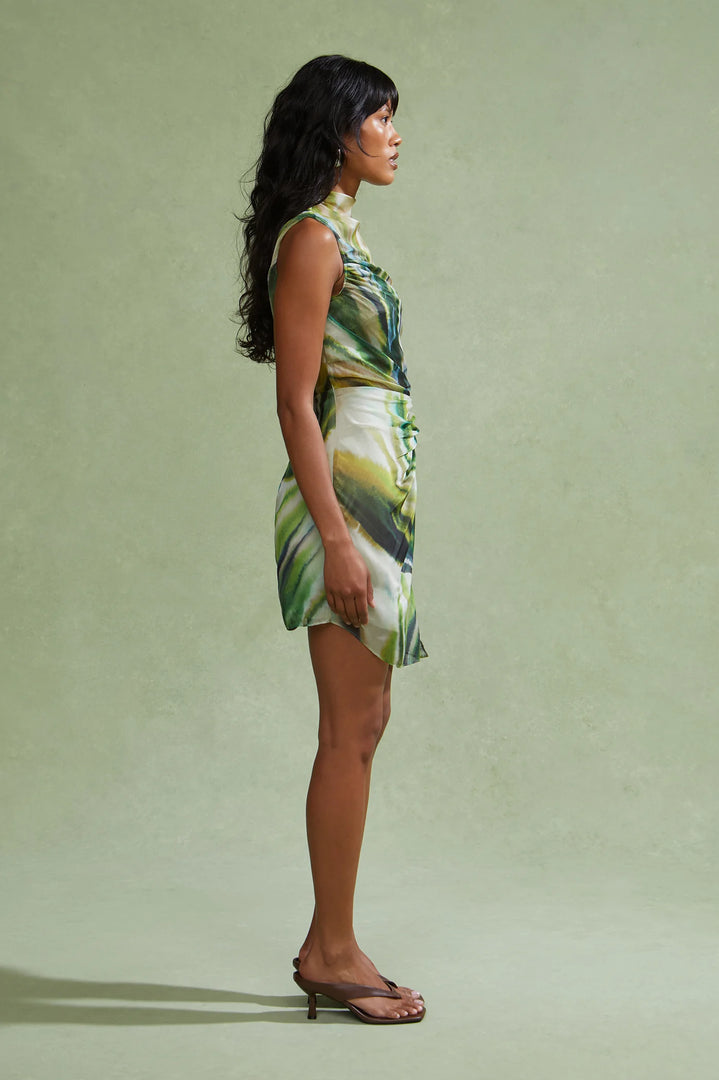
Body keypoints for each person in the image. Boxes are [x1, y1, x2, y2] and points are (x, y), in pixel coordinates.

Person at [235, 55, 428, 1025]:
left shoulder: (339, 231)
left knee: (366, 723)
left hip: (372, 501)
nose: (395, 135)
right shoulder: (313, 237)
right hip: (341, 506)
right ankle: (333, 952)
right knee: (347, 731)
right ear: (338, 130)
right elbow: (294, 403)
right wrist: (338, 539)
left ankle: (330, 942)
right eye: (381, 118)